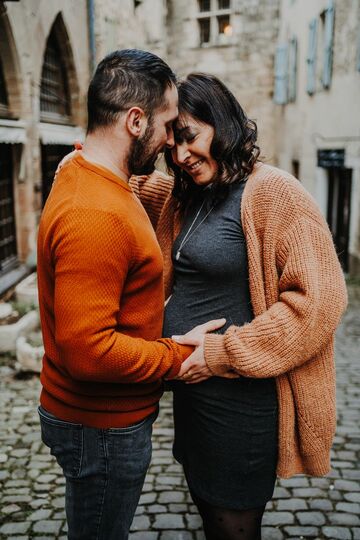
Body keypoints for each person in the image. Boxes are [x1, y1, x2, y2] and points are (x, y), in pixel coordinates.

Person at [131, 72, 348, 540]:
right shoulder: (189, 195)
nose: (181, 155)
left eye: (189, 136)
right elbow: (136, 185)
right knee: (209, 514)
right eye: (172, 146)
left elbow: (319, 303)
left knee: (234, 527)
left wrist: (220, 353)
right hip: (195, 399)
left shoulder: (275, 194)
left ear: (222, 121)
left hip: (242, 404)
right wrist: (85, 162)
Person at [36, 51, 224, 540]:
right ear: (135, 121)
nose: (170, 143)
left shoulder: (84, 170)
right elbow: (88, 352)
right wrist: (178, 355)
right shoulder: (96, 214)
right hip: (100, 426)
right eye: (166, 126)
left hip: (100, 421)